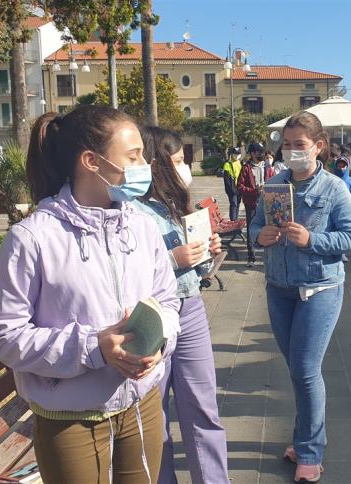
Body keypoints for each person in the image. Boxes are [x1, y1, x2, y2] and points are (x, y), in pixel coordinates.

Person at [0, 106, 181, 482]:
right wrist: (94, 347)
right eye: (133, 156)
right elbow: (5, 336)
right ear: (91, 161)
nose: (145, 165)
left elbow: (167, 301)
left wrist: (159, 343)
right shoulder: (32, 238)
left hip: (142, 406)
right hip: (70, 419)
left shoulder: (142, 228)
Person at [250, 111, 351, 483]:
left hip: (320, 288)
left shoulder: (334, 188)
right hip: (279, 287)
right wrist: (259, 236)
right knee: (298, 369)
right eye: (287, 145)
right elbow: (255, 226)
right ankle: (303, 439)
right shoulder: (274, 184)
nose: (293, 152)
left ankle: (311, 451)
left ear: (318, 146)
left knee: (305, 369)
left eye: (300, 145)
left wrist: (312, 240)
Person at [134, 127, 229, 484]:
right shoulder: (130, 209)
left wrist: (210, 253)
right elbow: (124, 273)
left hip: (190, 307)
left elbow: (200, 270)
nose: (184, 167)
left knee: (202, 406)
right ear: (156, 164)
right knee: (154, 414)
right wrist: (173, 259)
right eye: (177, 161)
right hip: (152, 315)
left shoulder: (174, 202)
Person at [238, 142, 275, 267]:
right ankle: (251, 256)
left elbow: (274, 180)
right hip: (252, 204)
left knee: (269, 228)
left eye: (263, 152)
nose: (262, 155)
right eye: (259, 152)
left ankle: (266, 255)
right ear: (253, 153)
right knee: (251, 229)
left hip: (267, 203)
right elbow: (240, 187)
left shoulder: (267, 167)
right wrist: (254, 191)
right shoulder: (246, 168)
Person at [222, 146, 243, 220]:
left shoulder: (240, 163)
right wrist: (231, 189)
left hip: (240, 187)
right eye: (235, 154)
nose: (236, 156)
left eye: (238, 154)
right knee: (234, 204)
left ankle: (236, 220)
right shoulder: (227, 164)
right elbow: (226, 179)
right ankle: (233, 221)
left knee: (237, 205)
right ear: (231, 154)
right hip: (232, 188)